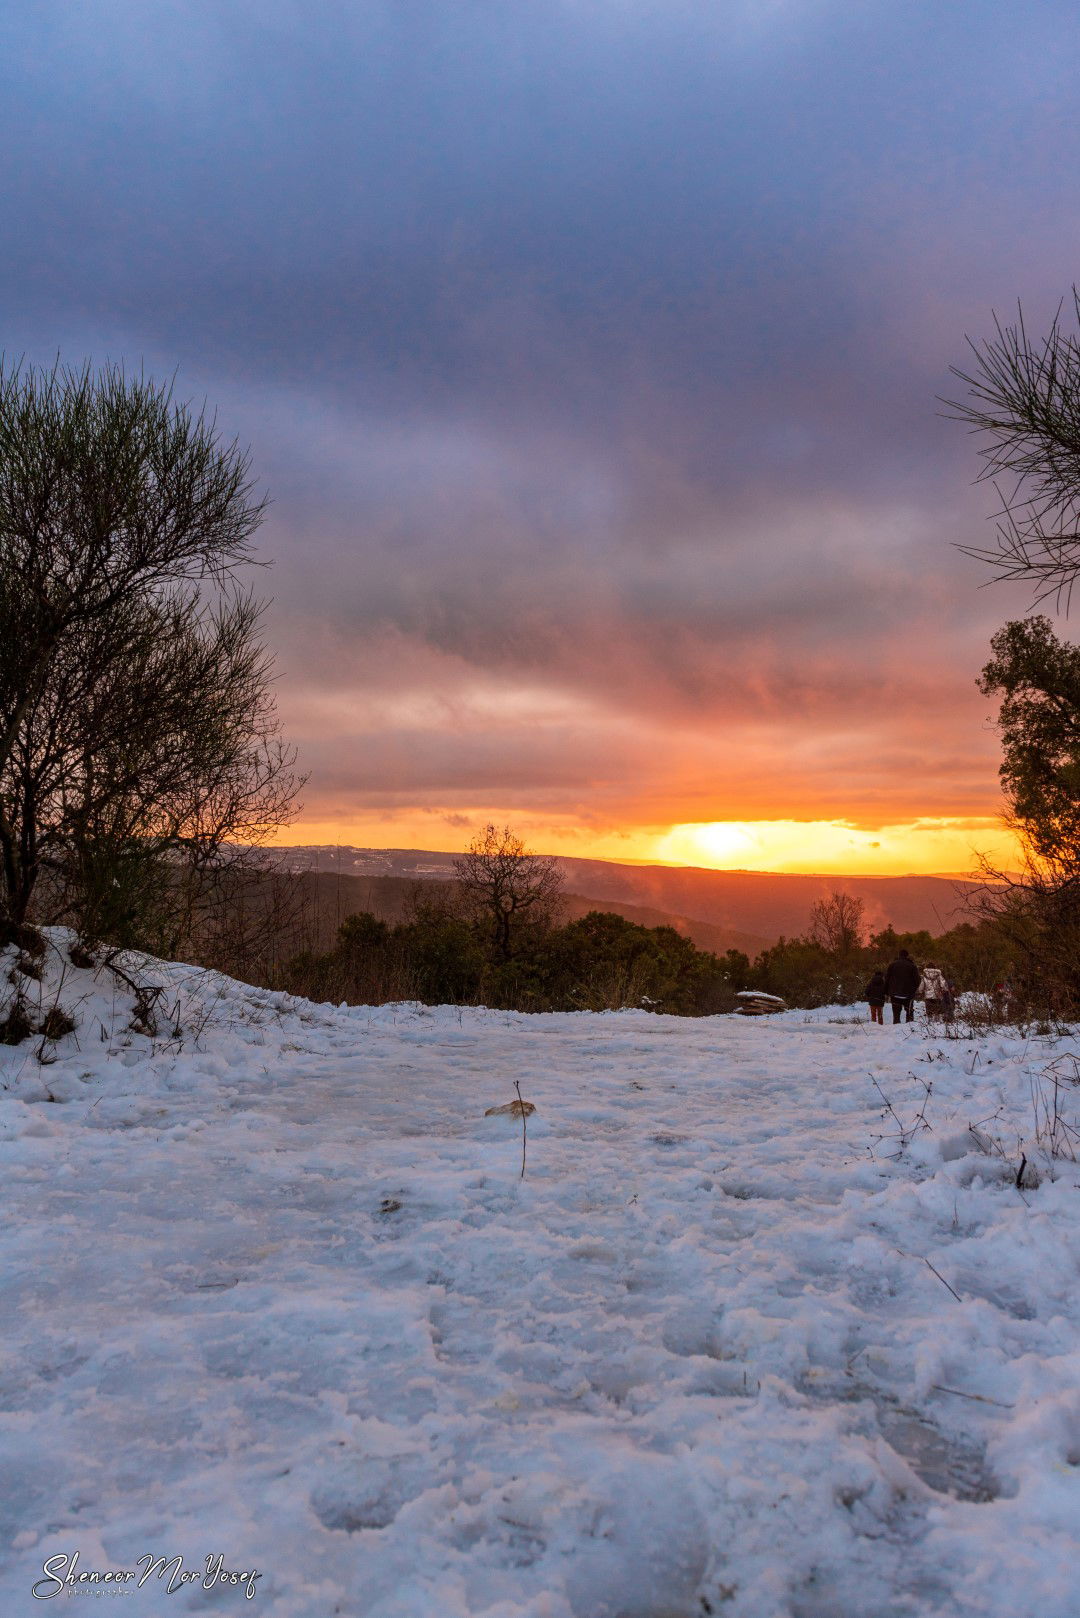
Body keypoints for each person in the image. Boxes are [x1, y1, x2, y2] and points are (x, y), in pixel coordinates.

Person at [884, 947, 920, 1023]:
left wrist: (887, 991)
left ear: (899, 955)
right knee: (909, 1012)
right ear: (907, 956)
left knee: (896, 1013)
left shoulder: (892, 965)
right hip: (908, 994)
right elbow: (917, 980)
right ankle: (910, 1027)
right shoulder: (912, 966)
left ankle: (896, 1026)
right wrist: (914, 990)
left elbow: (887, 979)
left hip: (894, 993)